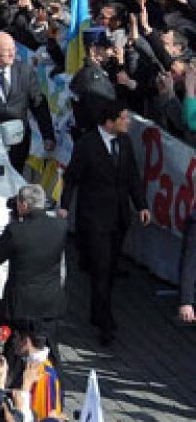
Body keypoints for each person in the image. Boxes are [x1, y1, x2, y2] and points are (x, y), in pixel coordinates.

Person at [61, 102, 150, 346]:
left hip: (118, 218)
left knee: (110, 269)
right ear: (109, 122)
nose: (127, 122)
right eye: (123, 118)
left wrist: (141, 205)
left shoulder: (124, 143)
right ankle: (105, 322)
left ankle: (97, 310)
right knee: (100, 269)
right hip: (94, 219)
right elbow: (72, 179)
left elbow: (132, 177)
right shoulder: (88, 145)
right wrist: (64, 207)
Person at [0, 184, 68, 332]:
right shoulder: (61, 227)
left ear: (24, 205)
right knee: (46, 346)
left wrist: (13, 224)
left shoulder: (15, 230)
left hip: (21, 305)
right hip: (50, 302)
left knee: (16, 347)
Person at [0, 32, 56, 171]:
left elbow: (38, 104)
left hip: (19, 140)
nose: (12, 53)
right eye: (7, 51)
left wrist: (48, 136)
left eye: (14, 49)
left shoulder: (25, 71)